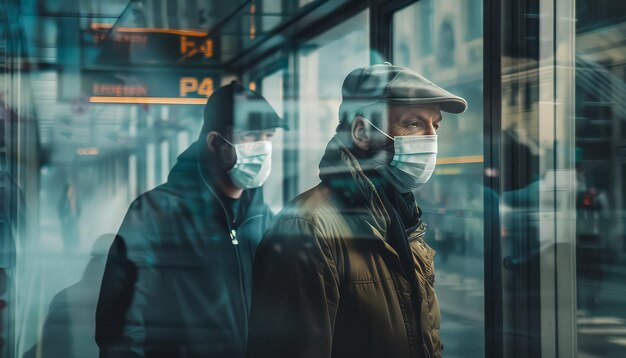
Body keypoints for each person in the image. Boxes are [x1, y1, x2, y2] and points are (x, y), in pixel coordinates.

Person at [247, 64, 467, 358]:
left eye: (434, 125)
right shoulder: (305, 227)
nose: (430, 138)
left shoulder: (402, 218)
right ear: (362, 131)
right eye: (413, 124)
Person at [96, 81, 287, 358]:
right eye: (251, 137)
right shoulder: (154, 213)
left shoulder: (264, 219)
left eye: (268, 136)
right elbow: (122, 326)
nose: (264, 148)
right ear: (215, 142)